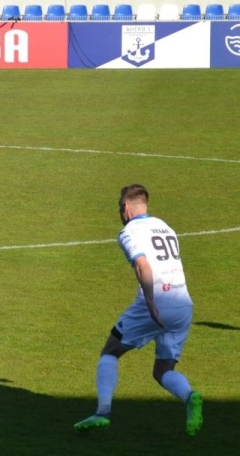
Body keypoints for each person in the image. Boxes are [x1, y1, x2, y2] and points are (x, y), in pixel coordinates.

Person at [74, 184, 203, 436]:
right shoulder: (165, 226)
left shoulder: (128, 232)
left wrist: (151, 302)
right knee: (162, 371)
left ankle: (102, 412)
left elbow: (143, 266)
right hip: (183, 304)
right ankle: (190, 396)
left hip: (157, 302)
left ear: (125, 207)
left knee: (110, 351)